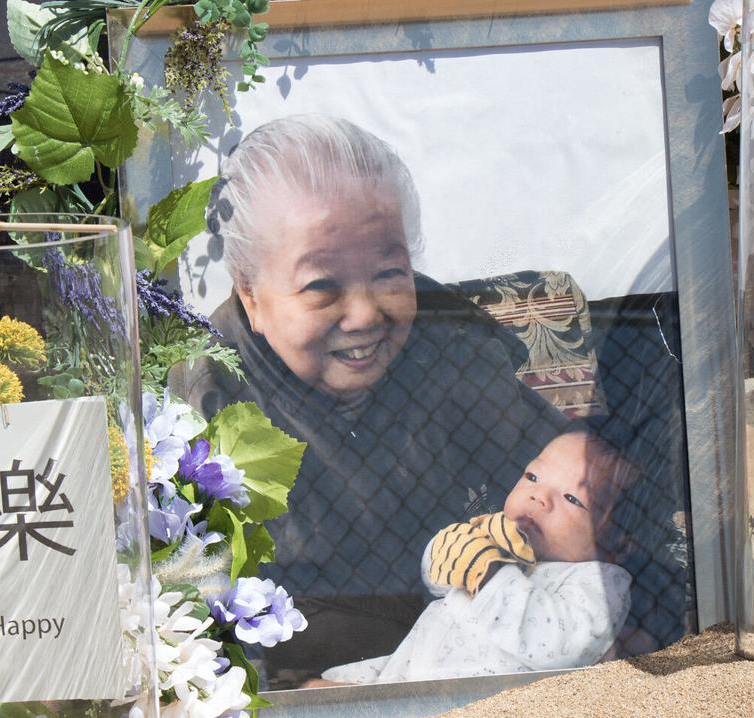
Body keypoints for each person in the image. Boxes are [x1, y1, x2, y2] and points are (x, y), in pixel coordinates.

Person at [170, 114, 569, 683]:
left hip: (469, 665)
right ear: (251, 295)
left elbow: (571, 484)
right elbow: (192, 621)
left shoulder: (451, 349)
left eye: (389, 274)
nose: (364, 315)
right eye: (321, 286)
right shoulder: (205, 403)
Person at [321, 429, 633, 683]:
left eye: (571, 498)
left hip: (479, 703)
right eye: (533, 477)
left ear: (617, 543)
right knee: (334, 685)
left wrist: (490, 573)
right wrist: (451, 551)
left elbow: (558, 646)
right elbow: (440, 580)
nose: (539, 497)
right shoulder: (498, 536)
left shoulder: (601, 581)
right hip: (415, 665)